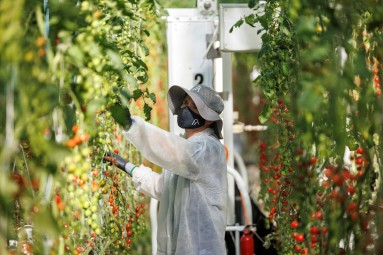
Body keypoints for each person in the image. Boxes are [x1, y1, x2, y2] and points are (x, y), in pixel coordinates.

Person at [105, 84, 228, 255]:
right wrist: (127, 166)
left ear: (209, 120)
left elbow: (173, 151)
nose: (186, 108)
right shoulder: (186, 149)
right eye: (185, 103)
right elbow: (164, 188)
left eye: (194, 107)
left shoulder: (208, 149)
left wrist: (131, 126)